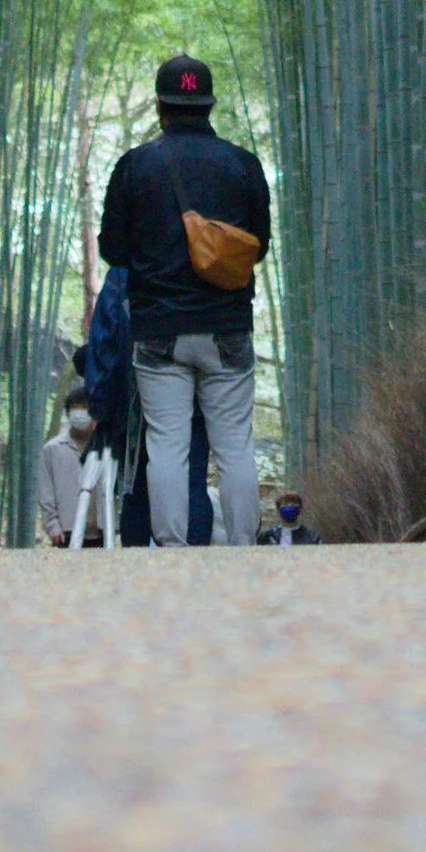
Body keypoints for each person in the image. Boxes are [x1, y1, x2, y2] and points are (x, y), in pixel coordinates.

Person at [97, 53, 272, 548]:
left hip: (158, 330)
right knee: (234, 443)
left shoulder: (135, 166)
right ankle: (242, 547)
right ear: (209, 105)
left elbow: (112, 248)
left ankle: (172, 550)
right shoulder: (243, 164)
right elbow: (259, 244)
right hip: (228, 324)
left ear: (159, 105)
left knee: (167, 443)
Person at [82, 265, 213, 545]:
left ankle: (141, 573)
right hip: (200, 393)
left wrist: (101, 404)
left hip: (138, 398)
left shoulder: (127, 269)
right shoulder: (206, 259)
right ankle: (197, 569)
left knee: (138, 485)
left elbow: (104, 340)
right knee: (193, 480)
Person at [38, 382, 103, 547]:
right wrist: (52, 525)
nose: (81, 413)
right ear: (67, 413)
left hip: (101, 531)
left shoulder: (107, 449)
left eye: (86, 407)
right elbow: (46, 492)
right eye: (76, 408)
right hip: (66, 530)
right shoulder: (52, 449)